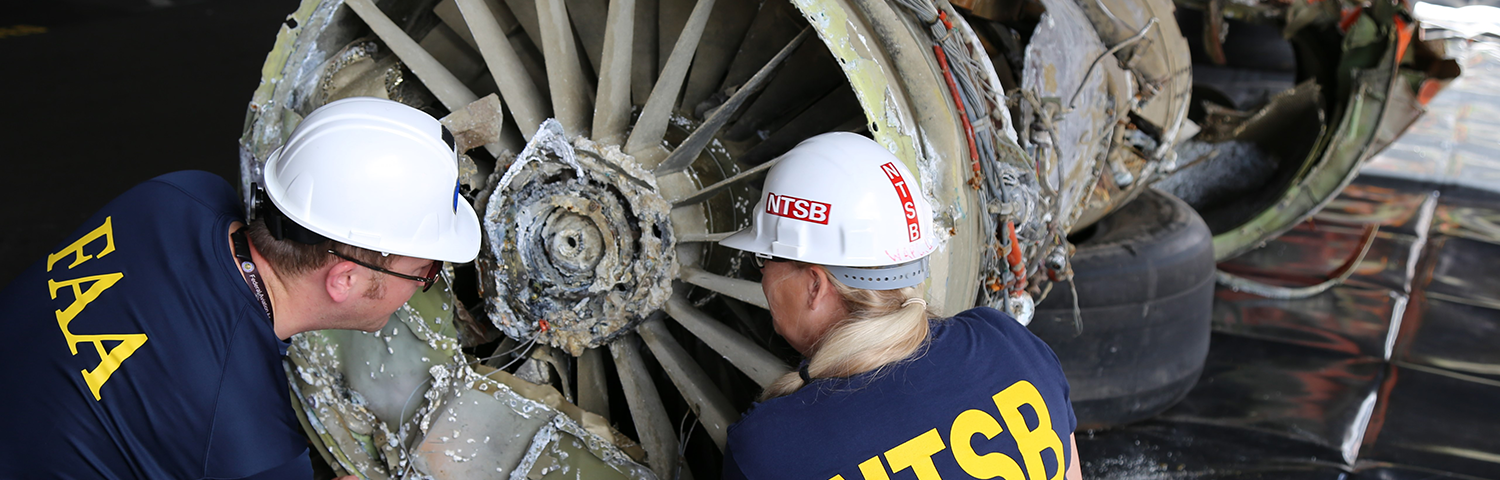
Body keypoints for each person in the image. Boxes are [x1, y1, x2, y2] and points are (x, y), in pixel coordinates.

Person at [0, 97, 481, 479]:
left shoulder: (178, 193)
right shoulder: (252, 447)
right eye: (424, 274)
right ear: (345, 279)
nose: (422, 287)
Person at [718, 133, 1082, 480]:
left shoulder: (770, 452)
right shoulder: (1007, 344)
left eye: (763, 257)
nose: (762, 276)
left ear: (815, 286)